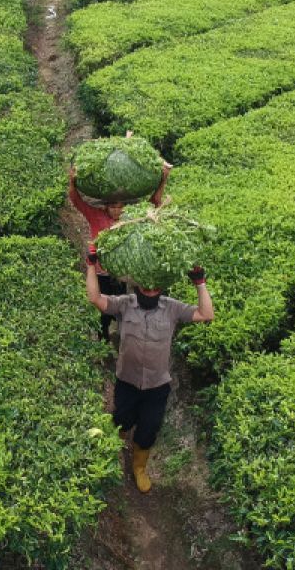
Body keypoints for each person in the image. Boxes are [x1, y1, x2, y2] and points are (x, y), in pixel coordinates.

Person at [85, 249, 214, 493]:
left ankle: (139, 467)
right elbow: (95, 299)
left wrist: (200, 283)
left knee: (149, 428)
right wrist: (91, 265)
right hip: (127, 381)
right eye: (145, 288)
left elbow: (206, 314)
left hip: (157, 386)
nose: (150, 292)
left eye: (155, 289)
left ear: (162, 289)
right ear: (137, 286)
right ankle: (113, 455)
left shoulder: (172, 308)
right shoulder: (125, 304)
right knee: (121, 422)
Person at [68, 158, 171, 342]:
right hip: (100, 273)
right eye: (112, 207)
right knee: (102, 310)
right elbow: (76, 201)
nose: (116, 211)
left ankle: (124, 337)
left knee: (122, 305)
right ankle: (103, 336)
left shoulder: (130, 218)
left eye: (119, 207)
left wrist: (163, 179)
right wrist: (72, 180)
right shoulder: (96, 216)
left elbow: (154, 203)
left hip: (120, 274)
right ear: (105, 206)